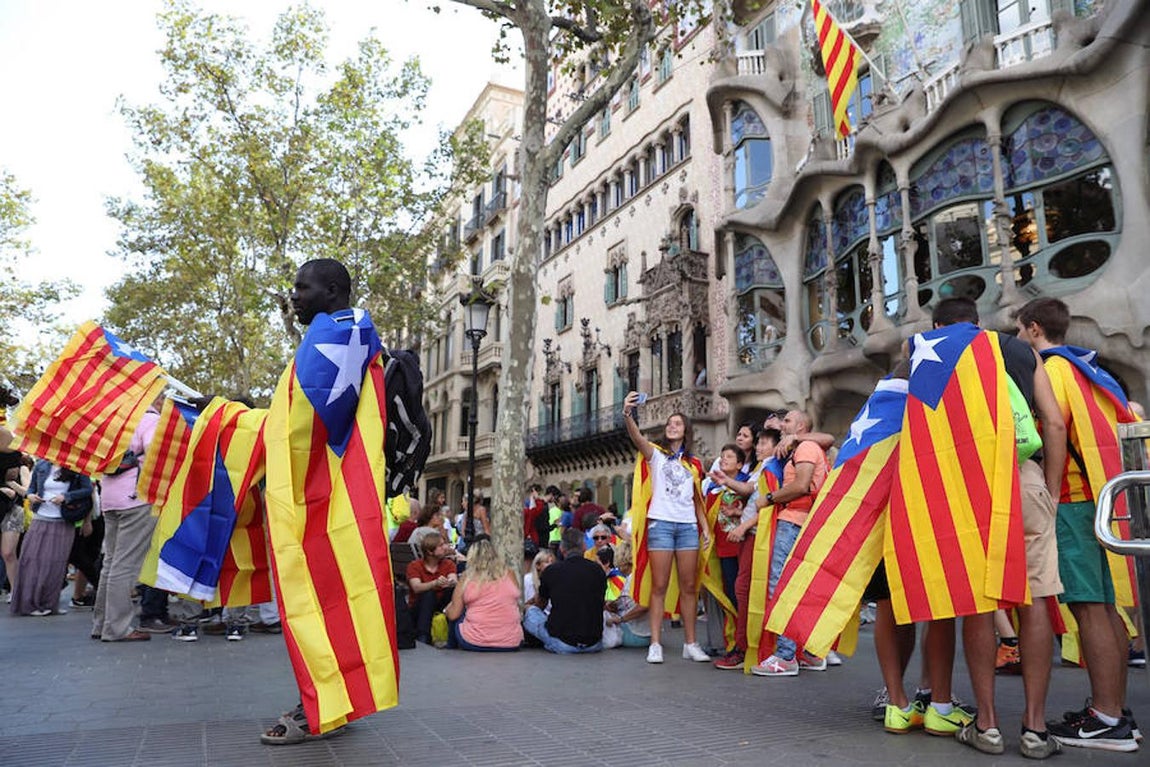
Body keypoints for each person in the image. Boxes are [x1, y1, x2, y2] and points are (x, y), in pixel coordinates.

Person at [1016, 296, 1141, 753]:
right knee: (1106, 608)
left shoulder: (1051, 371)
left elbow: (1053, 428)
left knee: (1088, 608)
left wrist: (1049, 491)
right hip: (1104, 498)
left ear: (1034, 329)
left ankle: (1107, 719)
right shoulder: (1088, 369)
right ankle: (1113, 711)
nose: (1018, 338)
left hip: (1073, 500)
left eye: (1020, 330)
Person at [622, 391, 712, 664]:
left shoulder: (694, 464)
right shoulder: (656, 455)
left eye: (678, 423)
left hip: (687, 527)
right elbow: (637, 438)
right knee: (659, 585)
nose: (672, 426)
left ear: (686, 431)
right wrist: (627, 414)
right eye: (669, 423)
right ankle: (655, 644)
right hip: (660, 524)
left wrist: (705, 528)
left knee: (689, 586)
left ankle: (690, 643)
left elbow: (697, 500)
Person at [752, 409, 829, 676]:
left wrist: (768, 498)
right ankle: (809, 653)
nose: (781, 424)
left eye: (787, 421)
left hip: (794, 522)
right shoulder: (807, 446)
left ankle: (786, 657)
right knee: (802, 588)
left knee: (781, 587)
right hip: (804, 523)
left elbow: (801, 485)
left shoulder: (805, 447)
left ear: (801, 426)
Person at [91, 405, 161, 641]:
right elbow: (154, 451)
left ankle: (101, 623)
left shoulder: (113, 420)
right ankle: (117, 627)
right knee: (124, 565)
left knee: (110, 562)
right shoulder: (149, 419)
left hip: (110, 497)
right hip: (135, 497)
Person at [11, 460, 92, 616]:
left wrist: (66, 496)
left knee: (56, 564)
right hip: (40, 517)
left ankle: (49, 603)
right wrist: (31, 495)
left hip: (63, 520)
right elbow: (31, 488)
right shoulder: (42, 465)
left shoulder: (77, 466)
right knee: (32, 561)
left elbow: (87, 489)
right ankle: (30, 603)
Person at [522, 528, 607, 654]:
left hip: (563, 642)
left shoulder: (552, 571)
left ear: (562, 549)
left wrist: (528, 605)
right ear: (584, 547)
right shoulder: (598, 570)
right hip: (594, 643)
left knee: (531, 613)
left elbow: (541, 605)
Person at [444, 538, 522, 651]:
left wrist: (446, 610)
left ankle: (450, 646)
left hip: (474, 641)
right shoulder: (510, 573)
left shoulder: (467, 577)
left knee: (457, 610)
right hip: (511, 643)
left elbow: (453, 615)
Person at [406, 531, 457, 645]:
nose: (445, 548)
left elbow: (453, 579)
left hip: (441, 604)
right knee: (429, 594)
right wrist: (435, 583)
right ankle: (423, 636)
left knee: (452, 590)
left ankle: (451, 634)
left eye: (444, 544)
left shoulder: (448, 564)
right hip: (419, 608)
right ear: (430, 551)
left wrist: (450, 582)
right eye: (440, 546)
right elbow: (416, 587)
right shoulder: (414, 566)